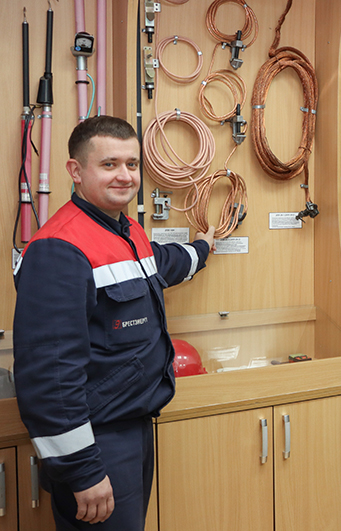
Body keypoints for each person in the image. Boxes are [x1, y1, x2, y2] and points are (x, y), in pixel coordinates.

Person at [13, 115, 216, 530]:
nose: (125, 176)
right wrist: (82, 470)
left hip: (133, 427)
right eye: (109, 164)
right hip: (97, 440)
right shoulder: (59, 249)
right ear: (76, 171)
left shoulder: (127, 232)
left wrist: (202, 248)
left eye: (132, 164)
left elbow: (162, 263)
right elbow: (49, 375)